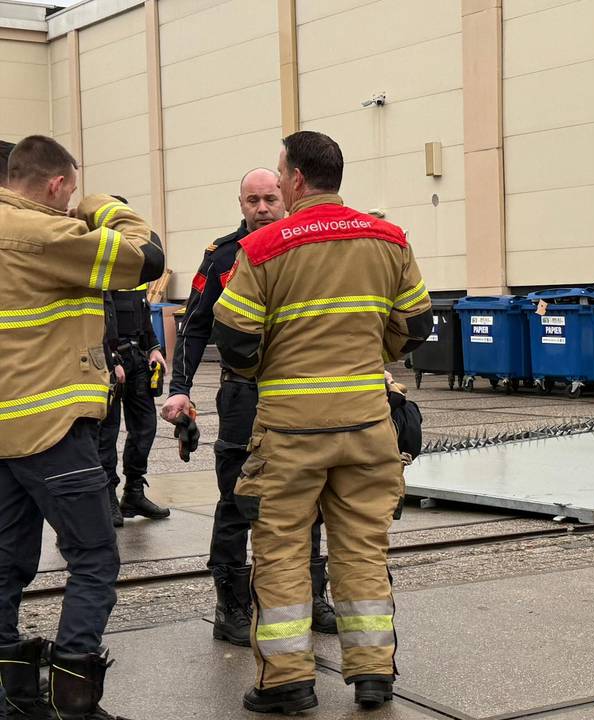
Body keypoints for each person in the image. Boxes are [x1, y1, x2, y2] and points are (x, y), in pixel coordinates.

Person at [213, 131, 431, 713]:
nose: (279, 184)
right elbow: (416, 326)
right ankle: (373, 676)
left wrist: (271, 362)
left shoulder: (263, 248)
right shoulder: (389, 239)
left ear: (298, 180)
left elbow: (234, 341)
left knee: (282, 549)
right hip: (367, 424)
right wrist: (372, 354)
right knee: (363, 548)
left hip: (289, 430)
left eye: (283, 175)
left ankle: (286, 682)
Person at [0, 135, 164, 719]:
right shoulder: (45, 234)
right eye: (69, 186)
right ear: (55, 185)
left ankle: (12, 696)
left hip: (4, 436)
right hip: (50, 426)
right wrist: (102, 205)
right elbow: (147, 258)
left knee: (7, 564)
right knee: (95, 557)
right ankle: (74, 698)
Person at [160, 169, 337, 648]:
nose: (262, 208)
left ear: (286, 197)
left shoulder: (306, 248)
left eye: (270, 199)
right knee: (237, 499)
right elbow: (195, 327)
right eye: (253, 200)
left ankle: (313, 597)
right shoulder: (221, 258)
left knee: (310, 496)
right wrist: (180, 388)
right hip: (244, 395)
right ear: (240, 203)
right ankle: (231, 607)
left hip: (302, 393)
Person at [97, 232, 171, 526]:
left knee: (145, 428)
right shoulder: (98, 268)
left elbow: (143, 312)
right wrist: (111, 358)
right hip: (110, 361)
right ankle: (107, 498)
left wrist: (153, 347)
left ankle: (134, 492)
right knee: (108, 433)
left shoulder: (135, 268)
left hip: (138, 358)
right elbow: (98, 319)